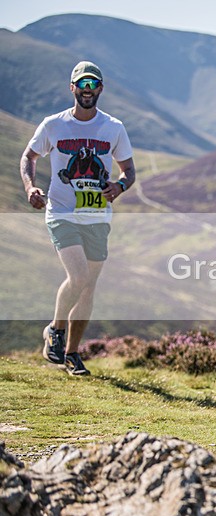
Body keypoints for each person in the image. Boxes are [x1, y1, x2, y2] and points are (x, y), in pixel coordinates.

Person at [20, 61, 136, 376]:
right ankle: (56, 330)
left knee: (88, 287)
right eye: (81, 84)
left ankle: (71, 354)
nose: (87, 90)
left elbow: (129, 171)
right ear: (72, 88)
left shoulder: (113, 127)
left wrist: (120, 185)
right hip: (61, 212)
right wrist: (31, 187)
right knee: (79, 276)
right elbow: (29, 156)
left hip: (97, 216)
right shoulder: (53, 125)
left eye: (92, 84)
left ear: (100, 88)